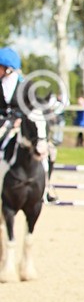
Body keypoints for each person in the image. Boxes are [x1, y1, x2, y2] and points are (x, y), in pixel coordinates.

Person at [0, 46, 23, 196]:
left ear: (8, 69)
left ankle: (47, 187)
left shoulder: (23, 85)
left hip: (20, 123)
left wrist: (20, 118)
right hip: (2, 122)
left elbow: (29, 106)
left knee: (47, 150)